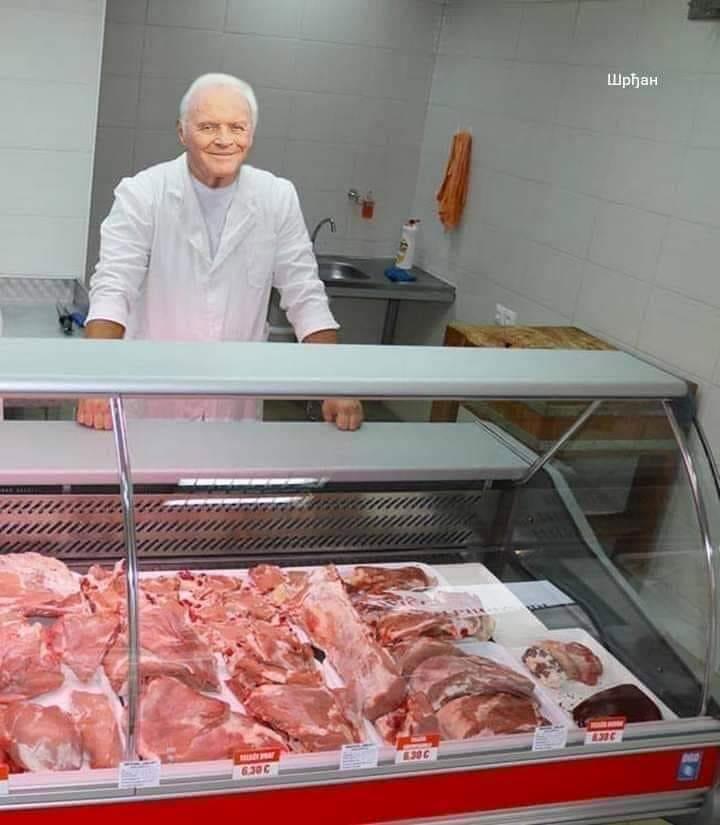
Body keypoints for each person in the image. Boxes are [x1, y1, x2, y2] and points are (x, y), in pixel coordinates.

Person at [77, 72, 363, 431]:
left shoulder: (277, 197)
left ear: (251, 135)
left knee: (228, 465)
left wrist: (336, 381)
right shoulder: (143, 193)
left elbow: (305, 295)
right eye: (208, 127)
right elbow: (113, 289)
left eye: (237, 127)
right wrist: (96, 379)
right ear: (182, 132)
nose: (224, 140)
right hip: (152, 402)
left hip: (234, 403)